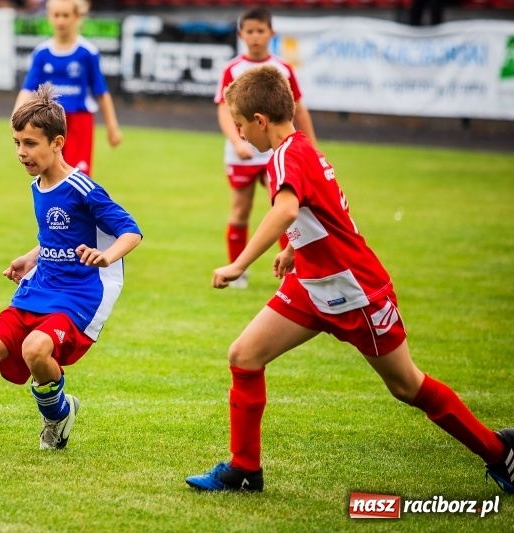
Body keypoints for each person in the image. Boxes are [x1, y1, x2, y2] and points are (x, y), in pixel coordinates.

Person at [185, 65, 513, 494]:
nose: (242, 135)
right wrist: (292, 249)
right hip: (312, 283)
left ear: (261, 121)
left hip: (356, 292)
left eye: (242, 126)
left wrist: (238, 264)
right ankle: (245, 469)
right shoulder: (299, 149)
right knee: (244, 355)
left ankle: (499, 452)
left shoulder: (288, 154)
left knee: (406, 385)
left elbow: (285, 210)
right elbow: (320, 210)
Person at [0, 83, 141, 450]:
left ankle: (55, 415)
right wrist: (30, 258)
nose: (21, 152)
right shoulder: (37, 185)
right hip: (39, 286)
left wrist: (107, 256)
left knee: (34, 349)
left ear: (57, 143)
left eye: (30, 143)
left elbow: (131, 231)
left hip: (78, 294)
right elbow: (53, 236)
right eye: (16, 142)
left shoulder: (83, 188)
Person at [215, 7, 316, 289]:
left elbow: (299, 109)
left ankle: (290, 271)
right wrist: (237, 142)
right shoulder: (232, 69)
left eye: (261, 31)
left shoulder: (282, 69)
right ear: (241, 34)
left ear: (271, 34)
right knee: (240, 209)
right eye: (250, 31)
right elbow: (224, 110)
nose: (256, 37)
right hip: (243, 151)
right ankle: (238, 275)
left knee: (284, 207)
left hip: (279, 151)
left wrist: (313, 148)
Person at [12, 0, 121, 177]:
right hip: (48, 121)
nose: (60, 21)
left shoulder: (87, 52)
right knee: (49, 174)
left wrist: (112, 126)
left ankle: (79, 206)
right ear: (49, 16)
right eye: (56, 15)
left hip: (79, 122)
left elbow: (101, 92)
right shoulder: (42, 53)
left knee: (78, 175)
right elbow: (28, 88)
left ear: (77, 17)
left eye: (65, 15)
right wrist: (16, 114)